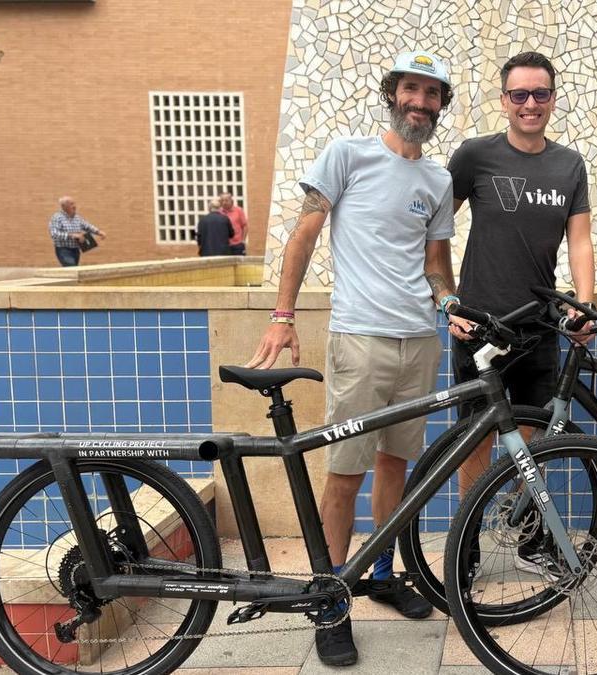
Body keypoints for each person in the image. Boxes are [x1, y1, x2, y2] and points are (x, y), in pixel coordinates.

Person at [245, 49, 458, 667]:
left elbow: (437, 269)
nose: (420, 103)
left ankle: (381, 573)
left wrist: (451, 306)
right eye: (411, 90)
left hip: (420, 341)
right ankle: (330, 599)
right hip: (360, 340)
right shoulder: (347, 154)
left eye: (432, 94)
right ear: (392, 93)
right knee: (345, 472)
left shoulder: (438, 182)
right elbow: (305, 233)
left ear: (441, 106)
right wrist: (283, 317)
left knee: (397, 465)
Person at [445, 51, 594, 576]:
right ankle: (467, 546)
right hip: (479, 325)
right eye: (519, 95)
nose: (530, 104)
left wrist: (584, 306)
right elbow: (435, 232)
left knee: (536, 439)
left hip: (539, 324)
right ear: (504, 100)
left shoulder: (569, 164)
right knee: (476, 441)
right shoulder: (474, 157)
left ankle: (531, 537)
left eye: (540, 94)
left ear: (553, 98)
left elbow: (580, 240)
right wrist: (446, 303)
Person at [48, 196, 106, 267]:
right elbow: (54, 233)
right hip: (64, 249)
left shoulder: (77, 217)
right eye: (71, 204)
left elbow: (87, 226)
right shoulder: (57, 217)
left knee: (73, 269)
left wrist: (98, 232)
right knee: (71, 268)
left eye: (74, 203)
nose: (74, 206)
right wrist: (72, 235)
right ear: (64, 206)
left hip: (75, 249)